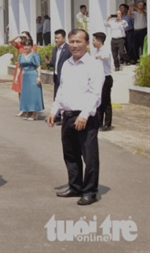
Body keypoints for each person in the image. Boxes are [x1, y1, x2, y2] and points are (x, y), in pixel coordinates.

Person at [46, 29, 104, 206]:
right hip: (68, 116)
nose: (74, 45)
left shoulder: (93, 65)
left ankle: (90, 191)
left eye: (78, 42)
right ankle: (75, 186)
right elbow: (62, 89)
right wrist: (54, 109)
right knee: (70, 154)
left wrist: (85, 114)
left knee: (90, 156)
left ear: (87, 43)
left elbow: (96, 94)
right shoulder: (67, 64)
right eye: (71, 42)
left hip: (85, 117)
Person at [9, 31, 37, 116]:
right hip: (20, 68)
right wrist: (18, 35)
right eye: (22, 38)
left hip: (28, 68)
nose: (23, 39)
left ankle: (30, 109)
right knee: (20, 89)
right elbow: (10, 41)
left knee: (28, 89)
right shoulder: (19, 45)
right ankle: (22, 108)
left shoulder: (33, 46)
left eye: (25, 37)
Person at [18, 38, 44, 121]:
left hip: (33, 75)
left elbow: (38, 66)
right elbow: (20, 67)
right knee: (26, 94)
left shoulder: (34, 55)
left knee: (33, 94)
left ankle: (34, 113)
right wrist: (16, 77)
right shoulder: (21, 55)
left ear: (31, 46)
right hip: (25, 76)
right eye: (24, 45)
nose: (26, 47)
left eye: (28, 45)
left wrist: (39, 76)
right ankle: (28, 111)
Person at [92, 32, 114, 132]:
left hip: (106, 78)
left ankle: (107, 124)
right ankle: (99, 122)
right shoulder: (96, 51)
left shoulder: (105, 50)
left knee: (106, 102)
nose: (93, 42)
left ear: (99, 41)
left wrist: (96, 57)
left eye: (94, 40)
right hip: (98, 78)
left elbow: (104, 56)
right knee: (98, 101)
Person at [46, 29, 72, 100]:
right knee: (56, 97)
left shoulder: (69, 49)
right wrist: (49, 63)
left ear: (64, 38)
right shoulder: (55, 49)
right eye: (55, 38)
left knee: (64, 97)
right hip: (56, 77)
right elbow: (55, 62)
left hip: (66, 77)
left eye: (58, 38)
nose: (56, 40)